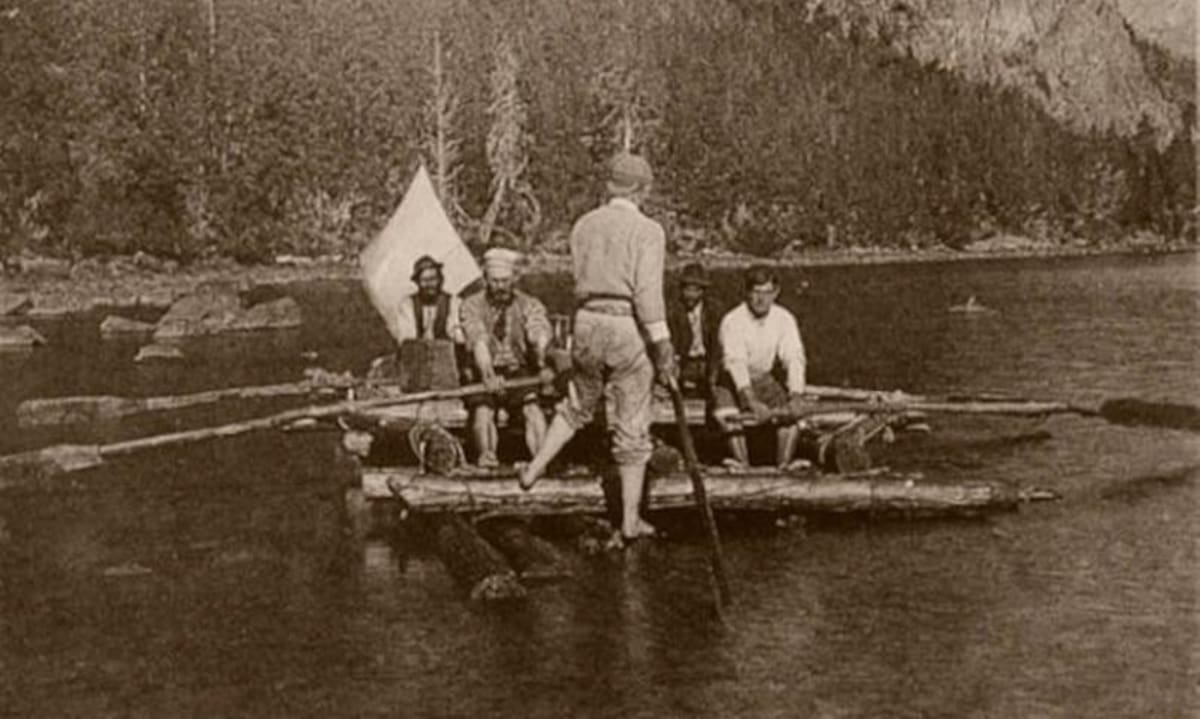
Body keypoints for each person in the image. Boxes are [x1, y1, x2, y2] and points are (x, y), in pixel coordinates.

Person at [518, 152, 677, 541]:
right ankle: (629, 519)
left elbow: (580, 275)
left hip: (587, 322)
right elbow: (647, 296)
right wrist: (664, 345)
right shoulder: (647, 230)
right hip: (625, 324)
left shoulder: (584, 225)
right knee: (633, 425)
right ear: (642, 189)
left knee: (577, 401)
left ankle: (534, 467)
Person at [459, 247, 554, 468]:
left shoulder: (528, 303)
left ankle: (541, 462)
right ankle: (487, 458)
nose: (500, 286)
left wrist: (539, 350)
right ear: (485, 279)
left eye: (505, 281)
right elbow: (478, 340)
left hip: (519, 371)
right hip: (483, 370)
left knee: (531, 407)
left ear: (513, 280)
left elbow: (539, 328)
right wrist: (488, 374)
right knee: (484, 410)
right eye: (495, 281)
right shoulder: (471, 305)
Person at [713, 265, 809, 470]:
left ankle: (783, 465)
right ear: (747, 293)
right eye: (756, 292)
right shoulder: (732, 321)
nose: (761, 299)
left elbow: (794, 357)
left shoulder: (784, 319)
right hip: (731, 382)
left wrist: (797, 395)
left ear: (776, 293)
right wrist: (751, 401)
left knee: (792, 415)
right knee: (727, 415)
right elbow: (735, 363)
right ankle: (742, 464)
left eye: (766, 292)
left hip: (764, 379)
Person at [667, 262, 720, 405]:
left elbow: (716, 344)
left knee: (716, 393)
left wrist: (713, 373)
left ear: (702, 292)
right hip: (685, 362)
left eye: (695, 290)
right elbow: (672, 342)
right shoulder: (674, 312)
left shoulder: (713, 311)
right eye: (687, 290)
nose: (690, 295)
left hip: (707, 362)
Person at [395, 255, 463, 343]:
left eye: (433, 279)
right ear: (417, 282)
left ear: (440, 279)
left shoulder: (454, 303)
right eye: (424, 280)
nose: (430, 284)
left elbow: (458, 336)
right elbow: (406, 339)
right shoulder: (407, 305)